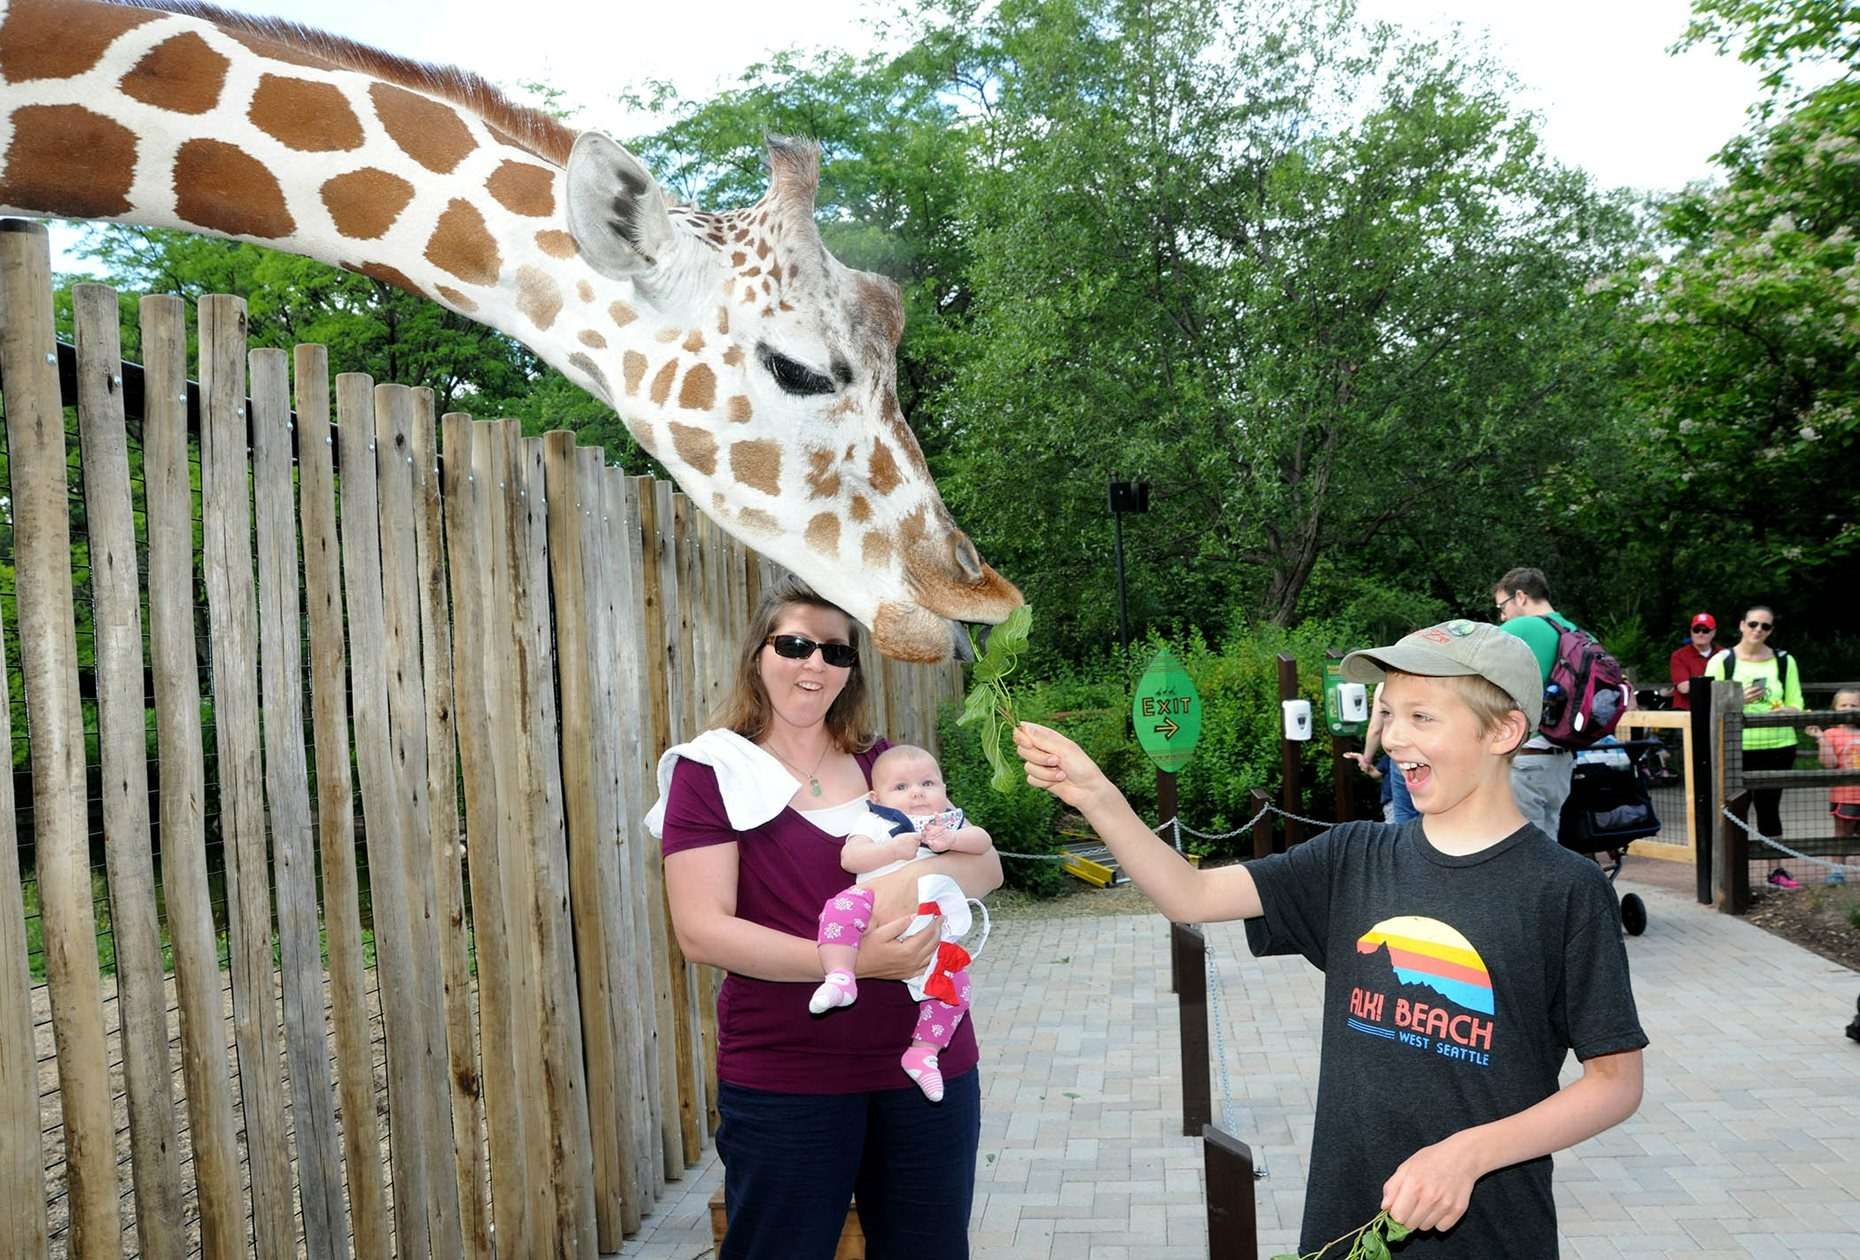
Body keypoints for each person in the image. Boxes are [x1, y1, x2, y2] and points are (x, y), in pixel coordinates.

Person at [1012, 620, 1646, 1258]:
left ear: (1503, 731)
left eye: (1423, 717)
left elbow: (1615, 1082)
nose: (1394, 738)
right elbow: (1191, 895)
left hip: (1492, 1234)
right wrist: (1093, 793)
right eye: (1388, 713)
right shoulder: (1352, 856)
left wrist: (1468, 1154)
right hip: (1347, 1224)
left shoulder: (1564, 889)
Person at [648, 576, 1003, 1260]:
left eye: (835, 652)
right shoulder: (711, 771)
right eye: (795, 645)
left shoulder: (886, 766)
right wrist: (852, 960)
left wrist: (901, 887)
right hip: (789, 1076)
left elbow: (985, 870)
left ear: (851, 671)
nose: (814, 665)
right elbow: (701, 930)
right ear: (759, 654)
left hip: (928, 1069)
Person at [810, 744, 994, 1101]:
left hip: (929, 932)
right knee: (841, 907)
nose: (917, 793)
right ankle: (840, 975)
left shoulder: (949, 820)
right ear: (876, 796)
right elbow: (851, 857)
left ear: (944, 788)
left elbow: (984, 843)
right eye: (901, 787)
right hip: (874, 915)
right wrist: (892, 851)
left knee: (956, 989)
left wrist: (953, 840)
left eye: (928, 783)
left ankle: (924, 1052)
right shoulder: (877, 821)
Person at [1702, 605, 1806, 891]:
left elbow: (1797, 703)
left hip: (1778, 744)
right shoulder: (1722, 661)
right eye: (1753, 624)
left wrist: (1786, 710)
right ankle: (1735, 875)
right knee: (1735, 808)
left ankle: (1776, 870)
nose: (1758, 630)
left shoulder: (1785, 661)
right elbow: (1708, 706)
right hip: (1736, 746)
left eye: (1765, 626)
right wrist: (1739, 699)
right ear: (1741, 625)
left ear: (1771, 630)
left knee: (1769, 808)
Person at [1491, 567, 1581, 839]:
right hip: (1561, 760)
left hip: (1527, 758)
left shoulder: (1520, 627)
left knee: (1521, 853)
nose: (1502, 616)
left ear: (1520, 596)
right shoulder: (1574, 631)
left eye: (1502, 606)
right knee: (1549, 847)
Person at [1804, 688, 1860, 887]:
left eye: (1854, 705)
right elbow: (1828, 763)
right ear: (1835, 708)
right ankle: (1837, 871)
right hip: (1845, 795)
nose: (1848, 709)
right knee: (1842, 835)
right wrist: (1821, 738)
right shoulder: (1831, 733)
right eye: (1843, 705)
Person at [1344, 681, 1419, 823]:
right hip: (1434, 754)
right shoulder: (1438, 678)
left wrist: (1366, 760)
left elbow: (1376, 729)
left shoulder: (1385, 684)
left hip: (1401, 756)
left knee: (1403, 816)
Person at [1668, 613, 1717, 711]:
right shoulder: (1679, 656)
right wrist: (1718, 685)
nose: (1700, 634)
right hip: (1686, 712)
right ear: (1691, 632)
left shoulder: (1724, 654)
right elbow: (1684, 688)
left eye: (1705, 630)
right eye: (1696, 630)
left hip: (1716, 711)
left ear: (1713, 632)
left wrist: (1697, 683)